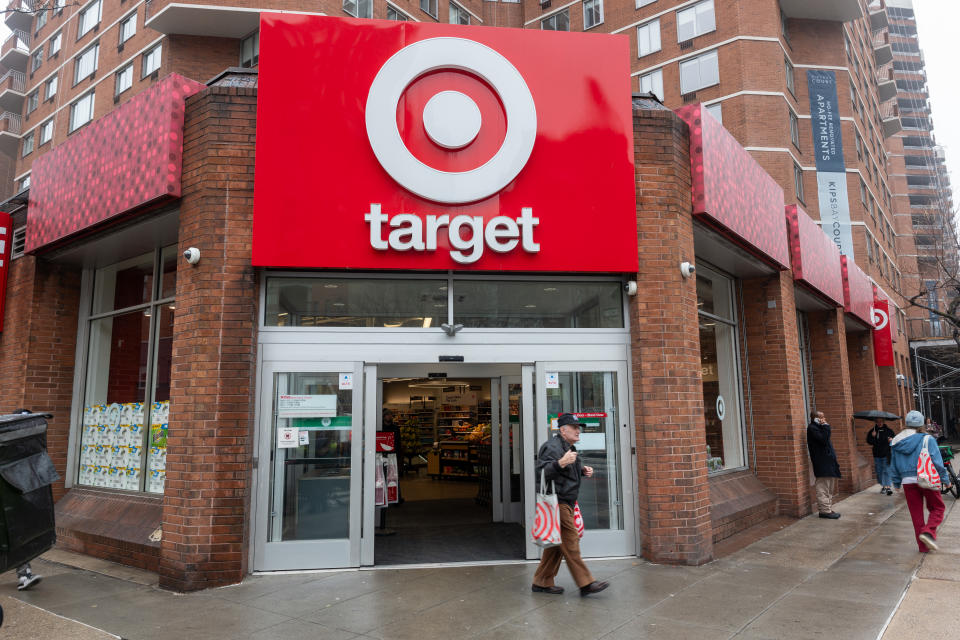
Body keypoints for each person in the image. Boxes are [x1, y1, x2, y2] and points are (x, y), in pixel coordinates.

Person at [531, 413, 609, 597]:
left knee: (558, 545)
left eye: (578, 427)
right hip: (558, 502)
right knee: (571, 542)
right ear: (563, 430)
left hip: (566, 500)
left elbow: (566, 470)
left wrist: (582, 470)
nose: (578, 430)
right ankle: (586, 583)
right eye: (574, 427)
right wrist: (560, 463)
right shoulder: (552, 447)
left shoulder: (568, 446)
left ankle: (541, 581)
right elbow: (541, 473)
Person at [890, 410, 950, 552]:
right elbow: (937, 461)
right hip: (926, 478)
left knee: (916, 515)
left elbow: (894, 464)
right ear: (921, 424)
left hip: (907, 481)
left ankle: (923, 548)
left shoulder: (896, 441)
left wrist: (897, 482)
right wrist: (945, 479)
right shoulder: (927, 439)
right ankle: (929, 531)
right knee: (938, 508)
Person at [807, 410, 841, 519]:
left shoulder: (819, 428)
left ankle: (828, 508)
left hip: (828, 462)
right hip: (822, 463)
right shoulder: (812, 428)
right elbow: (823, 439)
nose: (824, 419)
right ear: (816, 418)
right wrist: (826, 426)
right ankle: (824, 511)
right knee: (823, 487)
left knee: (829, 487)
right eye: (822, 417)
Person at [866, 419, 895, 495]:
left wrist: (891, 440)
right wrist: (872, 436)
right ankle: (883, 485)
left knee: (886, 470)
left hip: (886, 454)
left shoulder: (889, 431)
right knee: (879, 471)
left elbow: (894, 440)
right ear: (875, 422)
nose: (879, 423)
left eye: (881, 421)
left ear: (883, 421)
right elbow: (869, 441)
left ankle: (887, 487)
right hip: (877, 454)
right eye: (877, 421)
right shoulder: (872, 431)